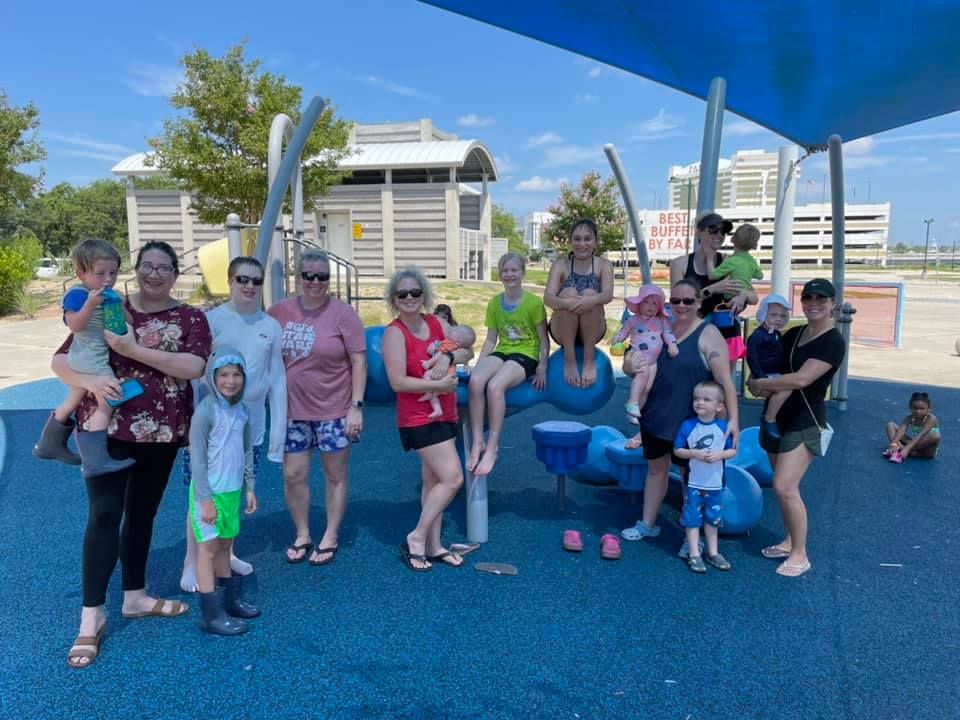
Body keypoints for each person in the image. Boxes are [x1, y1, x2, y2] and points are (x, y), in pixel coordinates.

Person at [53, 240, 212, 668]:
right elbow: (61, 360)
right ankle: (91, 618)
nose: (155, 273)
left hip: (161, 432)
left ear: (176, 274)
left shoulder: (190, 317)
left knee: (143, 515)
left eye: (164, 267)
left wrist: (132, 351)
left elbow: (194, 367)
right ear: (136, 270)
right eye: (147, 265)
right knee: (104, 515)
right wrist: (89, 382)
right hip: (109, 431)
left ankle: (136, 596)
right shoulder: (106, 303)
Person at [179, 256, 286, 592]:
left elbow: (277, 379)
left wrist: (277, 434)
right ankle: (191, 563)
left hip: (247, 427)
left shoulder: (270, 326)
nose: (249, 286)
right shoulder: (211, 320)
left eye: (255, 280)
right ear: (230, 281)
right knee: (201, 496)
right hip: (212, 429)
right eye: (242, 279)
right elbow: (195, 374)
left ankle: (227, 550)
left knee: (233, 492)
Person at [620, 279, 739, 552]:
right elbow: (634, 366)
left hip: (690, 425)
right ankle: (647, 523)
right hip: (655, 418)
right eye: (675, 301)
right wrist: (628, 364)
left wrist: (733, 421)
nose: (681, 306)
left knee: (691, 478)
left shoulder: (708, 334)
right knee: (655, 470)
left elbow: (726, 382)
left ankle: (692, 536)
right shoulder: (659, 327)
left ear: (699, 302)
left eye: (688, 301)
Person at [267, 249, 366, 566]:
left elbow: (359, 361)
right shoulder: (278, 312)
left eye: (321, 276)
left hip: (334, 410)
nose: (315, 282)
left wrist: (356, 407)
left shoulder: (343, 314)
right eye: (308, 275)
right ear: (298, 277)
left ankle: (331, 535)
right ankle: (302, 533)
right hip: (292, 412)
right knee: (293, 474)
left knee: (335, 474)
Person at [748, 278, 846, 578]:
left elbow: (800, 379)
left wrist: (763, 383)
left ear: (832, 304)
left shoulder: (833, 341)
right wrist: (756, 381)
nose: (814, 303)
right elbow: (767, 363)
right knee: (782, 488)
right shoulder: (793, 333)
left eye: (821, 298)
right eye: (808, 297)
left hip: (805, 421)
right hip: (777, 416)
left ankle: (801, 554)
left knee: (784, 486)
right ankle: (789, 540)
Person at [382, 267, 474, 571]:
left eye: (415, 292)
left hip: (444, 413)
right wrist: (437, 384)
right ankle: (417, 537)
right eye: (402, 294)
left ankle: (434, 545)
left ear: (424, 294)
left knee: (433, 479)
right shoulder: (394, 333)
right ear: (394, 299)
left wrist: (447, 357)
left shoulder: (436, 322)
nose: (409, 298)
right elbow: (398, 382)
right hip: (418, 417)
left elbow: (467, 350)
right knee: (453, 478)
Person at [34, 239, 134, 474]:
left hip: (86, 356)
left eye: (113, 272)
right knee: (109, 401)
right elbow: (75, 326)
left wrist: (121, 305)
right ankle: (96, 460)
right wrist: (89, 305)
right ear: (81, 273)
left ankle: (49, 444)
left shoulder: (111, 294)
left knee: (73, 399)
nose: (108, 279)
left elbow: (129, 323)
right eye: (100, 274)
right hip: (90, 359)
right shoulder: (78, 294)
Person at [188, 349, 260, 636]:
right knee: (207, 550)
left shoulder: (242, 411)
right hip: (211, 493)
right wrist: (205, 499)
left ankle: (230, 601)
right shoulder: (206, 410)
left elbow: (246, 450)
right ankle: (211, 613)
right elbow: (198, 458)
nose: (231, 381)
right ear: (213, 378)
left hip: (231, 492)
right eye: (224, 375)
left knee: (225, 546)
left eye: (236, 374)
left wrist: (250, 486)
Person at [468, 252, 549, 477]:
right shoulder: (495, 303)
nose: (509, 274)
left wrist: (542, 366)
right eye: (505, 270)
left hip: (527, 353)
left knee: (495, 386)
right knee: (476, 381)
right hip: (504, 350)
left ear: (522, 273)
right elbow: (491, 339)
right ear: (500, 274)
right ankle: (478, 441)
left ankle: (493, 446)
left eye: (514, 270)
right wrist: (480, 363)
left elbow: (543, 339)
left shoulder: (533, 302)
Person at [671, 212, 758, 367]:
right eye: (713, 230)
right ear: (699, 231)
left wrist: (743, 295)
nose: (719, 235)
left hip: (725, 331)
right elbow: (678, 304)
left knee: (722, 383)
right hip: (692, 332)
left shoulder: (730, 261)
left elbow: (753, 297)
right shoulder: (680, 264)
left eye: (723, 232)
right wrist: (711, 289)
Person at [673, 381, 736, 573]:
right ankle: (694, 554)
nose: (699, 402)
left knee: (712, 520)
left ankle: (713, 552)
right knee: (692, 519)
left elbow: (732, 451)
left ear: (718, 406)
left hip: (715, 485)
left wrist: (719, 455)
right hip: (694, 484)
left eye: (706, 399)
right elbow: (677, 450)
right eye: (696, 398)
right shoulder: (688, 426)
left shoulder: (723, 427)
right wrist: (694, 454)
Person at [544, 219, 614, 388]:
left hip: (592, 329)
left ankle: (589, 359)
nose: (582, 244)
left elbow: (607, 295)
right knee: (569, 293)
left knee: (590, 294)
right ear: (570, 242)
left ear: (595, 242)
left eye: (587, 239)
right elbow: (548, 298)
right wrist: (568, 303)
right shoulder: (561, 265)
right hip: (562, 329)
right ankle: (569, 359)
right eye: (577, 239)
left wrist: (590, 300)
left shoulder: (603, 265)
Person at [612, 283, 678, 423]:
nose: (650, 306)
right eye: (646, 302)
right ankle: (632, 403)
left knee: (646, 388)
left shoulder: (662, 320)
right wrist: (618, 339)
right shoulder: (633, 319)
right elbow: (624, 331)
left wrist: (672, 344)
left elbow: (668, 333)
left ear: (659, 306)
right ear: (639, 304)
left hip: (653, 360)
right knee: (643, 375)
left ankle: (634, 412)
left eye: (654, 303)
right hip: (637, 354)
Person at [745, 294, 792, 440]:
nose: (778, 319)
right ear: (764, 314)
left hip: (774, 373)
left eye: (783, 316)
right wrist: (760, 376)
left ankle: (774, 416)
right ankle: (769, 419)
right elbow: (752, 357)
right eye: (773, 315)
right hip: (765, 374)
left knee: (787, 389)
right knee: (785, 389)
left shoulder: (776, 334)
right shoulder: (758, 336)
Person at [419, 324, 476, 419]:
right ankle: (437, 409)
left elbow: (439, 353)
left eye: (454, 331)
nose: (451, 330)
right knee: (435, 395)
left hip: (442, 373)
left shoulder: (450, 344)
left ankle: (429, 392)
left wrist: (429, 361)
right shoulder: (456, 345)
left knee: (427, 375)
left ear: (458, 341)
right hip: (449, 377)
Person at [883, 391, 941, 462]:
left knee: (935, 435)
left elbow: (921, 435)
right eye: (915, 408)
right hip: (915, 444)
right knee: (890, 425)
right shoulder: (910, 418)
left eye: (922, 409)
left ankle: (902, 450)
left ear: (929, 409)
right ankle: (897, 449)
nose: (918, 411)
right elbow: (902, 430)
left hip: (927, 451)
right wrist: (893, 444)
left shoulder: (931, 419)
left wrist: (906, 449)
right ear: (910, 408)